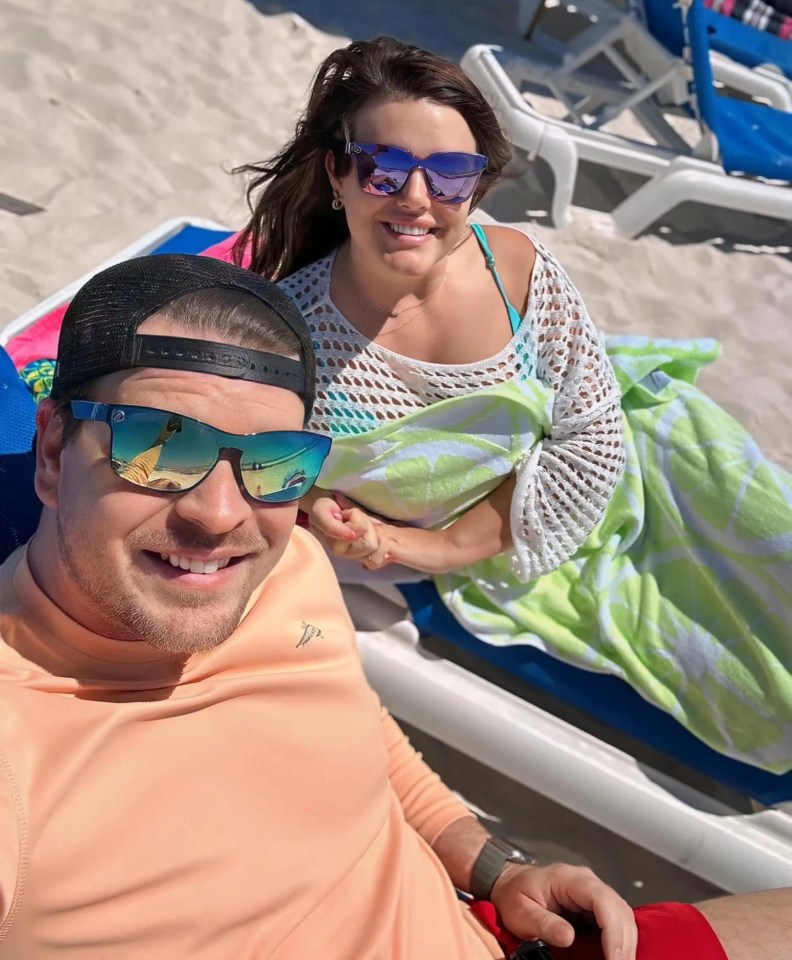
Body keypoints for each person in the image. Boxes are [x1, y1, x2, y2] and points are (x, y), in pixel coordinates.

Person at [0, 252, 644, 958]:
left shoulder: (288, 569)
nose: (221, 515)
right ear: (55, 450)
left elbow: (358, 726)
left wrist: (495, 867)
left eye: (274, 461)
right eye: (159, 444)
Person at [222, 35, 792, 777]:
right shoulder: (292, 337)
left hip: (648, 461)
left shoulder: (515, 267)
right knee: (752, 680)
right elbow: (271, 467)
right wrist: (324, 505)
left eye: (451, 175)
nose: (417, 200)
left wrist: (424, 547)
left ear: (478, 187)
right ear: (338, 171)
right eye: (384, 167)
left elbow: (593, 440)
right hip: (517, 548)